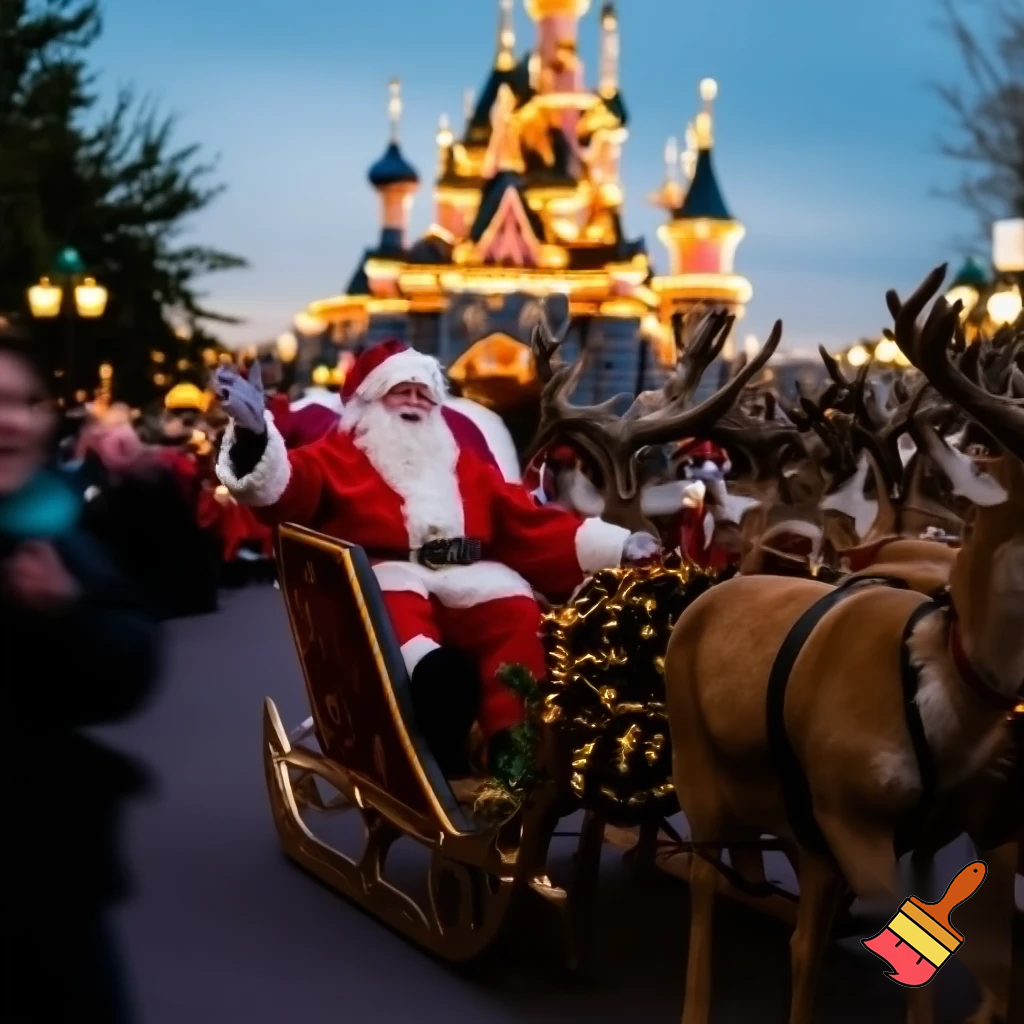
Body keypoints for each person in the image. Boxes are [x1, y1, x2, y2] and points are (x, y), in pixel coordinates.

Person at [214, 340, 659, 773]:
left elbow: (526, 520)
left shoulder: (461, 461)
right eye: (401, 391)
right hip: (390, 575)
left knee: (518, 617)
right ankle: (436, 751)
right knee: (410, 641)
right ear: (370, 402)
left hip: (469, 575)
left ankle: (512, 748)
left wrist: (620, 545)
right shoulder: (337, 456)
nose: (414, 402)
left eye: (423, 393)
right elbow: (285, 490)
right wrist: (255, 437)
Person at [0, 328, 161, 1022]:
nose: (10, 418)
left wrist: (67, 612)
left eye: (23, 401)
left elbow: (130, 659)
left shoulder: (52, 529)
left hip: (46, 872)